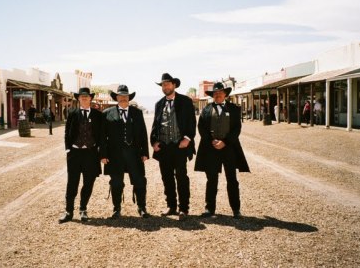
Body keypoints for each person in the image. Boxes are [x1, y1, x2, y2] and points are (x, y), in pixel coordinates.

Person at [195, 82, 250, 219]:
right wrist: (211, 141)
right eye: (215, 93)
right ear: (212, 95)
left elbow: (237, 129)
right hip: (211, 149)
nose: (217, 95)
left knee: (232, 179)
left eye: (220, 92)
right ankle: (209, 209)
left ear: (225, 94)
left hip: (229, 149)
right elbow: (201, 128)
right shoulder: (206, 109)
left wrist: (225, 142)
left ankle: (236, 210)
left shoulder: (234, 109)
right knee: (211, 180)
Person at [150, 73, 196, 220]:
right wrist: (154, 142)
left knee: (181, 177)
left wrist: (187, 139)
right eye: (163, 85)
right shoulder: (159, 104)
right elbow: (155, 125)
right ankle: (171, 206)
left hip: (179, 146)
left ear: (174, 85)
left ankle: (184, 208)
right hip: (164, 147)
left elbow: (191, 122)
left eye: (168, 84)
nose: (165, 87)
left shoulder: (185, 101)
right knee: (166, 177)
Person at [100, 85, 150, 219]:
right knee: (116, 182)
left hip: (134, 154)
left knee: (140, 181)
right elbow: (102, 136)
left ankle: (142, 207)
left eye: (125, 96)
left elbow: (143, 134)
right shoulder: (107, 113)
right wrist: (103, 154)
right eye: (120, 96)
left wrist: (145, 152)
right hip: (114, 155)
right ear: (116, 98)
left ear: (129, 98)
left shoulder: (137, 113)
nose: (123, 98)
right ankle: (116, 209)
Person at [59, 88, 104, 223]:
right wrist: (68, 149)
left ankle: (83, 209)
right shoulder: (72, 113)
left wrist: (101, 153)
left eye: (86, 96)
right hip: (74, 153)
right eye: (82, 97)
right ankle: (69, 211)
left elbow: (101, 136)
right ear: (78, 99)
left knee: (88, 182)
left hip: (90, 153)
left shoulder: (97, 115)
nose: (84, 98)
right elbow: (67, 132)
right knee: (72, 183)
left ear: (90, 98)